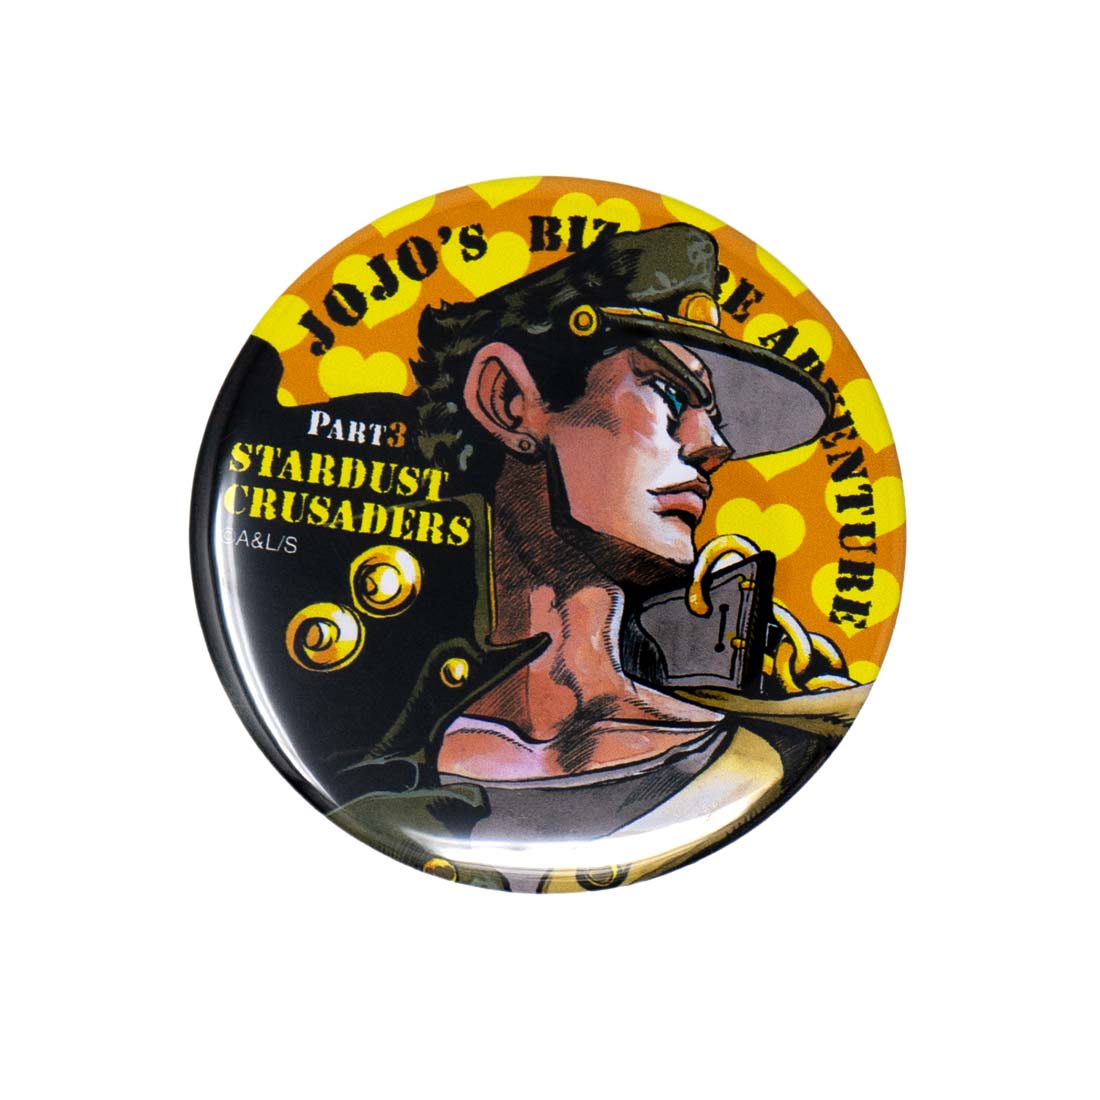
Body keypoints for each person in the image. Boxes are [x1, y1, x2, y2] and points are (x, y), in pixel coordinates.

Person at [329, 224, 868, 890]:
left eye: (712, 412)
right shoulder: (368, 769)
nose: (713, 445)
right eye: (670, 391)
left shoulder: (786, 748)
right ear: (509, 401)